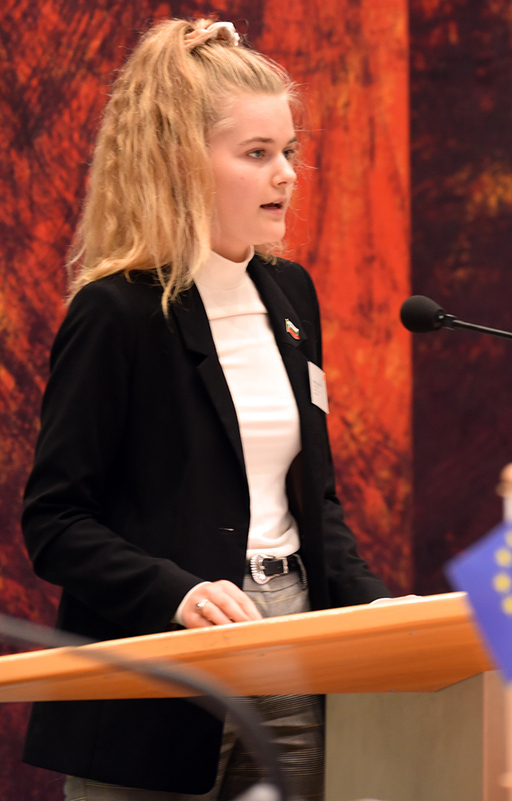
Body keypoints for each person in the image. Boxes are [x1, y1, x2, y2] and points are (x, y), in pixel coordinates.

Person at [21, 17, 391, 800]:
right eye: (257, 155)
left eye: (288, 151)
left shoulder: (293, 296)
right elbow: (55, 523)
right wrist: (176, 591)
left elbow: (312, 499)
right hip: (158, 679)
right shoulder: (115, 313)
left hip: (295, 649)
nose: (287, 174)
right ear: (181, 163)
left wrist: (386, 613)